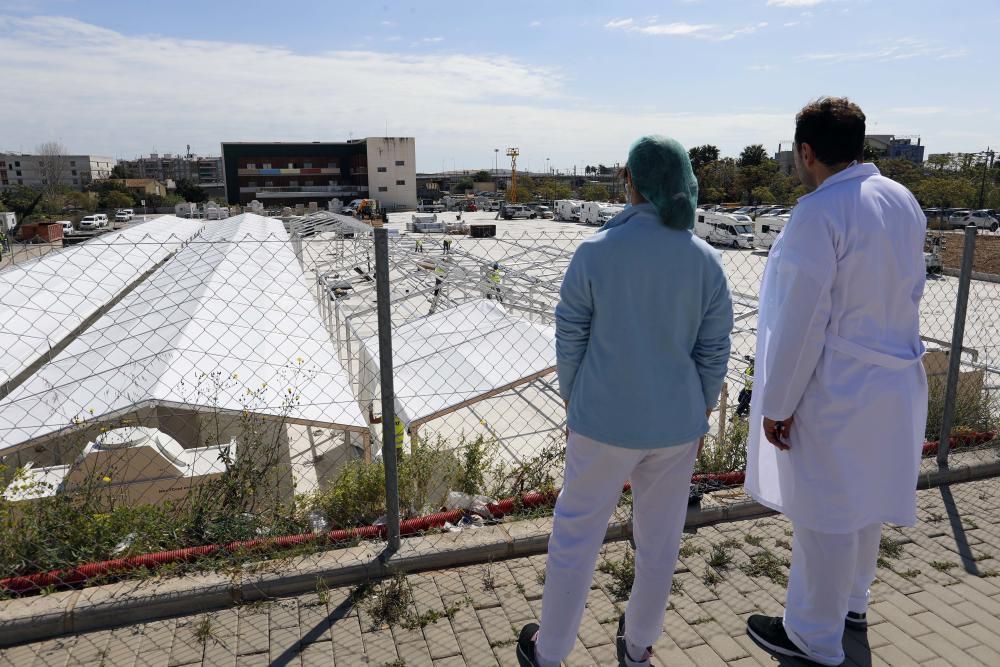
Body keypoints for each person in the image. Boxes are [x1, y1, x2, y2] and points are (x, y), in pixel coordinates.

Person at [516, 136, 733, 667]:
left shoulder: (595, 252)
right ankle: (638, 647)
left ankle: (552, 651)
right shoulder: (705, 260)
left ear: (630, 183)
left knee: (577, 538)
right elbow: (715, 348)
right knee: (660, 542)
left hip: (602, 424)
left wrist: (575, 398)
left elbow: (570, 336)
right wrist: (699, 406)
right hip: (676, 426)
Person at [743, 98, 928, 667]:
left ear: (806, 152)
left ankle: (810, 635)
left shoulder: (819, 213)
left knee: (823, 513)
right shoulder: (901, 198)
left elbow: (802, 324)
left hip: (839, 385)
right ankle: (852, 603)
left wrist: (778, 402)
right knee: (867, 498)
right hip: (895, 381)